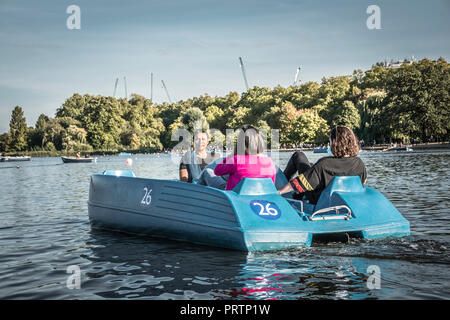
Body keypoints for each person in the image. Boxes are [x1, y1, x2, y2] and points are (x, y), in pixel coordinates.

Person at [278, 126, 367, 204]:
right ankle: (298, 194)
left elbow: (301, 183)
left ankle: (281, 183)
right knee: (312, 166)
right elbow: (361, 185)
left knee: (298, 156)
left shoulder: (325, 164)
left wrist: (279, 192)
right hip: (343, 198)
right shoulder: (359, 163)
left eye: (330, 141)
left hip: (318, 199)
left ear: (335, 141)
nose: (329, 144)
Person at [214, 125, 277, 191]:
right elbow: (272, 184)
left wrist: (232, 154)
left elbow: (217, 171)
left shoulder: (237, 159)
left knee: (207, 172)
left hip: (234, 196)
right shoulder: (270, 162)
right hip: (260, 195)